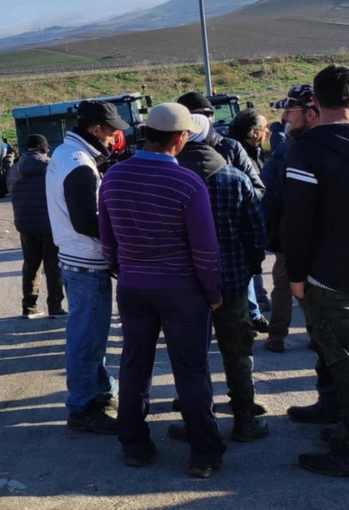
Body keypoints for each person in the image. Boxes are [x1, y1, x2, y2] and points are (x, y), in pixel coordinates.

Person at [98, 102, 225, 478]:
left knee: (135, 365)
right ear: (181, 138)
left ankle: (134, 445)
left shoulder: (114, 177)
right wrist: (212, 291)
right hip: (182, 290)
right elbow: (205, 249)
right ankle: (204, 454)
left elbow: (108, 240)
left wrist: (125, 271)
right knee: (190, 369)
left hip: (134, 286)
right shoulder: (187, 183)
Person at [283, 64, 349, 481]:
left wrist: (295, 275)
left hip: (331, 277)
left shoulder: (307, 149)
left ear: (314, 102)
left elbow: (298, 221)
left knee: (347, 364)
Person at [170, 113, 270, 443]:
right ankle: (244, 419)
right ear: (214, 141)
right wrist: (247, 269)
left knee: (191, 358)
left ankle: (197, 423)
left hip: (183, 286)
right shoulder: (235, 179)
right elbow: (257, 235)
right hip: (233, 283)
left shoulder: (171, 183)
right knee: (238, 353)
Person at [47, 100, 129, 434]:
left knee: (89, 335)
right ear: (95, 130)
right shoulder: (80, 164)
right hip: (85, 261)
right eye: (111, 133)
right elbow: (85, 221)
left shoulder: (64, 154)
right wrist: (121, 234)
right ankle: (81, 407)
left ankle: (99, 393)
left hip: (74, 258)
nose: (113, 140)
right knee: (86, 338)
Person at [178, 92, 268, 331]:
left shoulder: (230, 147)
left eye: (206, 116)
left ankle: (253, 313)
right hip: (190, 260)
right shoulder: (172, 157)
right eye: (195, 118)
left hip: (231, 244)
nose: (203, 122)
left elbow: (257, 188)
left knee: (238, 331)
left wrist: (235, 206)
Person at [261, 85, 319, 354]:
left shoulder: (288, 153)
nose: (284, 117)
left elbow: (270, 199)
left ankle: (277, 337)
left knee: (286, 287)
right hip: (296, 237)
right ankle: (316, 337)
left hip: (294, 237)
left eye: (289, 110)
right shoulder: (294, 149)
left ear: (310, 112)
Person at [8, 134, 65, 319]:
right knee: (52, 267)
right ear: (45, 149)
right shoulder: (52, 166)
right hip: (49, 224)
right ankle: (55, 307)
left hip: (25, 224)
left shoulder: (15, 168)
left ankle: (29, 307)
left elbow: (11, 190)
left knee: (31, 266)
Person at [228, 108, 272, 321]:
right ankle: (254, 309)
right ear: (253, 133)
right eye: (265, 128)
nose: (268, 132)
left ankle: (257, 301)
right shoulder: (241, 156)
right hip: (245, 223)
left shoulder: (251, 152)